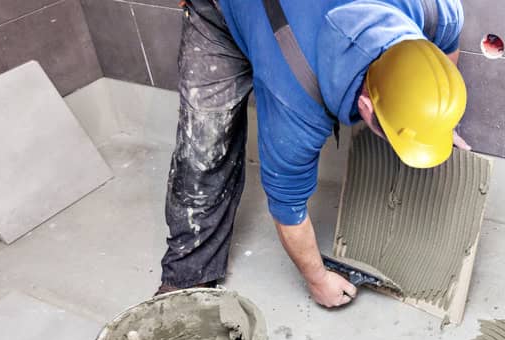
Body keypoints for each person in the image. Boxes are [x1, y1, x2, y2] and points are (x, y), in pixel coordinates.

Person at [157, 0, 468, 307]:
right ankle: (187, 275)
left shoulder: (434, 8)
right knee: (204, 148)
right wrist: (318, 280)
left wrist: (437, 123)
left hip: (290, 22)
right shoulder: (297, 101)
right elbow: (287, 206)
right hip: (224, 11)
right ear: (366, 107)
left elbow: (448, 46)